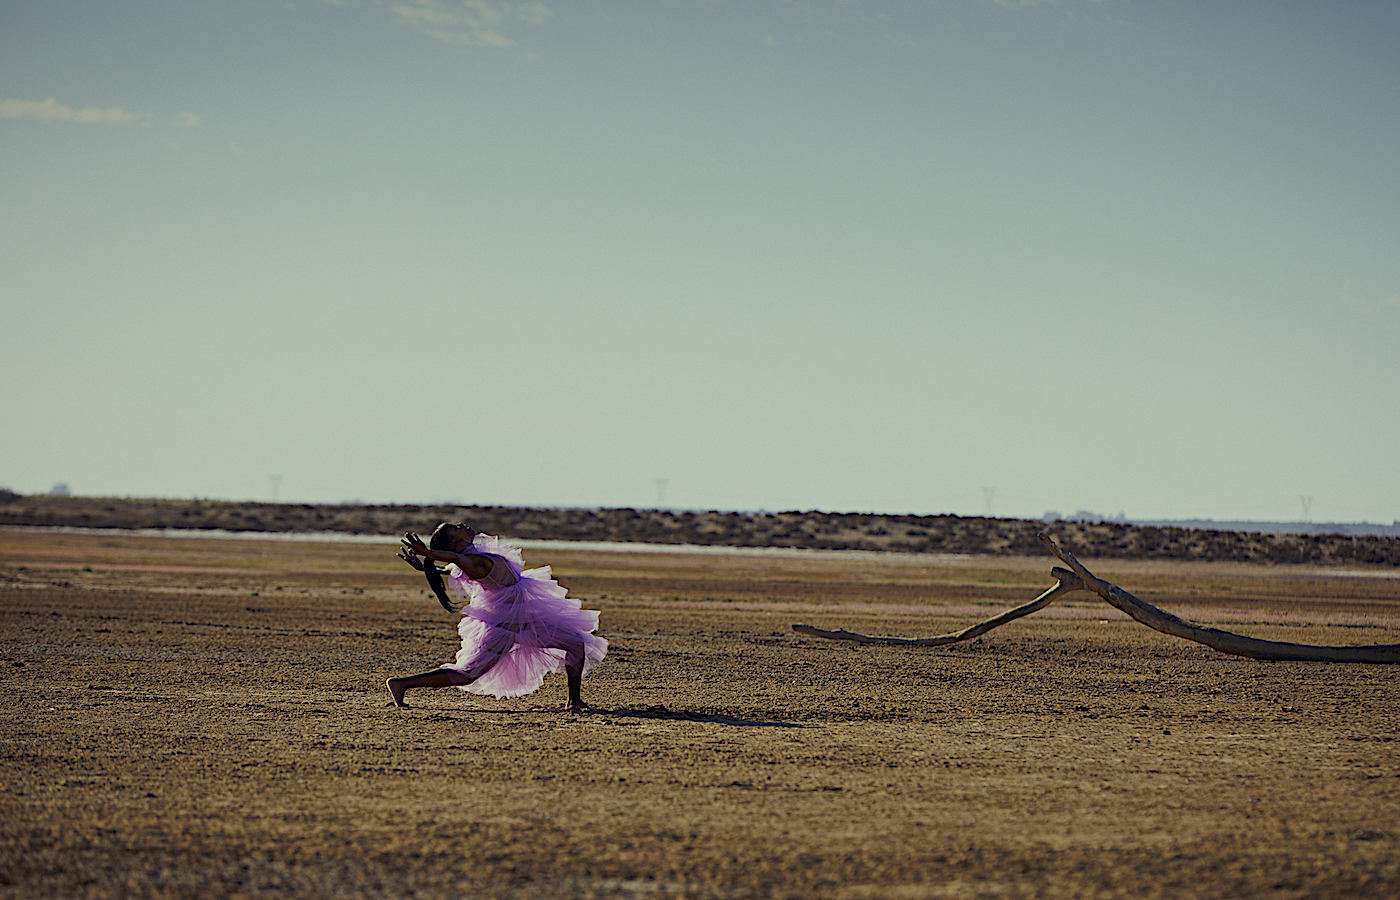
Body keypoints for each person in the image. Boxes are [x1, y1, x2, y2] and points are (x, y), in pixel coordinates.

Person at [387, 522, 607, 712]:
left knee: (576, 643)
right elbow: (455, 559)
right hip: (504, 627)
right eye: (455, 528)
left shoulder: (472, 558)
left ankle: (574, 701)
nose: (462, 526)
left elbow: (452, 566)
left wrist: (427, 567)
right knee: (467, 674)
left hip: (523, 619)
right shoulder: (469, 560)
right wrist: (428, 554)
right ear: (453, 542)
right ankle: (401, 684)